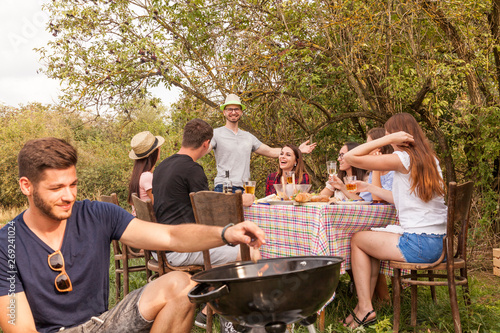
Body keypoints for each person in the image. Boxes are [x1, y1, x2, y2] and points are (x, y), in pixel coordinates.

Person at [0, 137, 265, 333]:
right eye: (56, 188)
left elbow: (171, 237)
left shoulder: (98, 215)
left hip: (100, 325)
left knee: (180, 283)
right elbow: (18, 328)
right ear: (27, 186)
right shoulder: (7, 244)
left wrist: (226, 232)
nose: (69, 196)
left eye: (73, 184)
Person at [342, 113, 448, 328]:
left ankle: (364, 308)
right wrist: (370, 187)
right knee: (369, 237)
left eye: (390, 134)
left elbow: (350, 157)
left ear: (398, 136)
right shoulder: (429, 159)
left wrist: (385, 140)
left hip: (419, 244)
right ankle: (368, 304)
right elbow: (404, 199)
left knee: (358, 239)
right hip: (439, 243)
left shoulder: (403, 158)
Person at [151, 119, 256, 332]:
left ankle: (210, 310)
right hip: (180, 249)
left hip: (160, 246)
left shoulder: (162, 167)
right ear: (206, 144)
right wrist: (237, 199)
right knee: (250, 251)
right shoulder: (193, 170)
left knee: (226, 260)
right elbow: (208, 218)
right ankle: (235, 320)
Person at [210, 94, 317, 193]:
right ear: (224, 112)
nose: (233, 112)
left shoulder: (248, 136)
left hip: (244, 188)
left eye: (236, 109)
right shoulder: (215, 134)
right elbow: (203, 149)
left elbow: (270, 151)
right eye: (230, 109)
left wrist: (297, 150)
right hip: (223, 187)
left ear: (241, 112)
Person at [127, 131, 164, 215]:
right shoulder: (147, 177)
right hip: (149, 224)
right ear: (154, 152)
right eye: (158, 147)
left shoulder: (138, 175)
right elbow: (159, 204)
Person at [359, 127, 394, 202]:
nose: (365, 148)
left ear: (379, 147)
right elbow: (363, 200)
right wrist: (342, 187)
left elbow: (378, 200)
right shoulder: (373, 172)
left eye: (368, 145)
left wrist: (376, 167)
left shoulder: (393, 171)